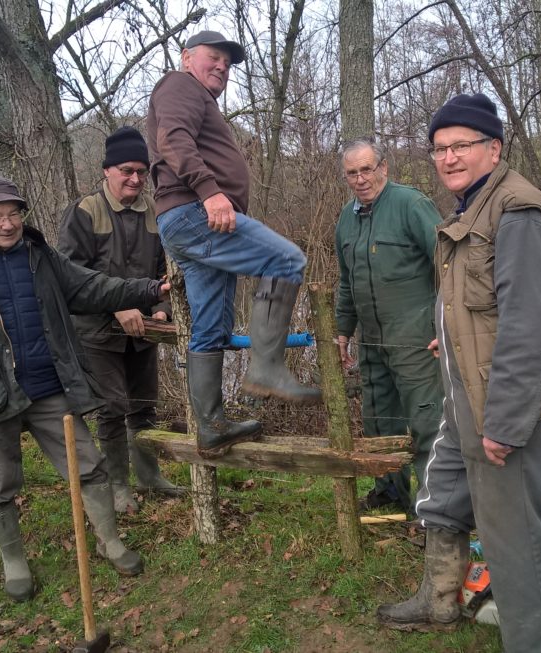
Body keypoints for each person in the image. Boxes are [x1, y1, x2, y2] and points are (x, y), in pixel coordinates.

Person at [376, 94, 541, 653]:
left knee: (517, 537)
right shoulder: (469, 208)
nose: (448, 158)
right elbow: (480, 303)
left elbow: (534, 326)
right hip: (466, 392)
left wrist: (505, 421)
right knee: (444, 495)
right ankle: (439, 599)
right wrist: (448, 335)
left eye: (462, 146)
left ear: (493, 148)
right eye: (440, 148)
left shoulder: (518, 211)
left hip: (511, 404)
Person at [0, 175, 170, 602]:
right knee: (0, 484)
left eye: (13, 214)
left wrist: (150, 288)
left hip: (48, 387)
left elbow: (91, 286)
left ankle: (111, 542)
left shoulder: (40, 255)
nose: (6, 224)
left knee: (89, 466)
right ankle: (14, 562)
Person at [146, 30, 320, 459]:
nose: (222, 65)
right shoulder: (179, 85)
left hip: (192, 218)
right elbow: (173, 139)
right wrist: (210, 190)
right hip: (197, 212)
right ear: (187, 57)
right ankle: (265, 368)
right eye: (213, 56)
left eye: (227, 61)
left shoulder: (200, 99)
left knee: (210, 329)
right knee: (287, 259)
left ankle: (211, 426)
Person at [58, 126, 183, 514]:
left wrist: (163, 310)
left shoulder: (156, 215)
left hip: (143, 332)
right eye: (126, 170)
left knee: (144, 406)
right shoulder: (84, 212)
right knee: (112, 410)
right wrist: (116, 305)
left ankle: (149, 475)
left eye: (141, 172)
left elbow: (168, 272)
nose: (135, 179)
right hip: (98, 333)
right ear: (107, 172)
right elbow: (70, 274)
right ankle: (118, 486)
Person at [334, 138, 444, 513]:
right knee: (380, 421)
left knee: (428, 422)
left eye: (367, 169)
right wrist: (343, 331)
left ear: (383, 167)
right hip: (373, 341)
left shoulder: (410, 205)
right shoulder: (346, 219)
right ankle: (391, 493)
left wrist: (445, 325)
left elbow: (448, 265)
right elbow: (346, 281)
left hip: (416, 337)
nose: (361, 178)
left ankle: (436, 510)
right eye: (353, 172)